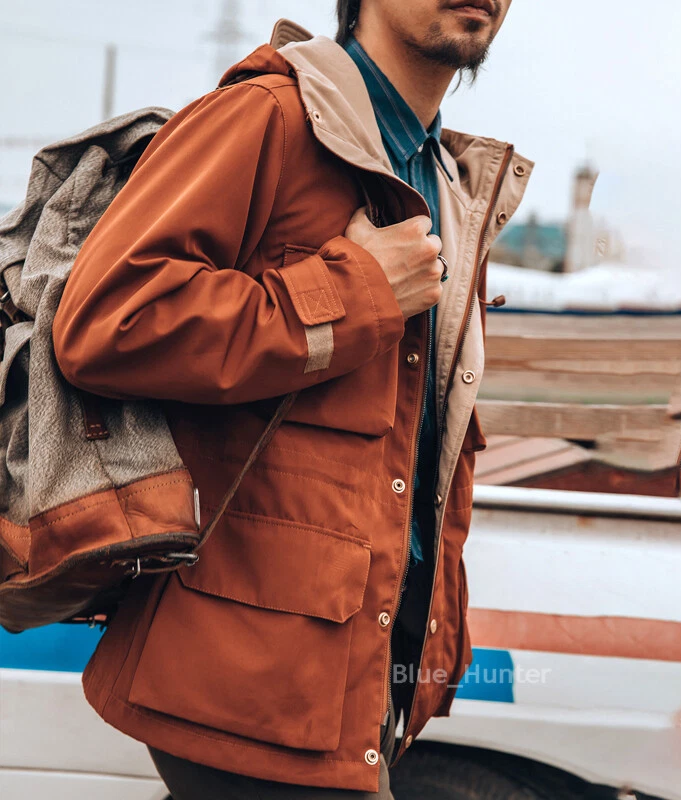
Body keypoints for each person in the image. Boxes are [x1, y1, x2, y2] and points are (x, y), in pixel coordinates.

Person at [52, 1, 531, 797]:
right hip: (247, 688)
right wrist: (356, 291)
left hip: (352, 687)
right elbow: (106, 321)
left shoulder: (446, 179)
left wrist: (430, 648)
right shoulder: (268, 117)